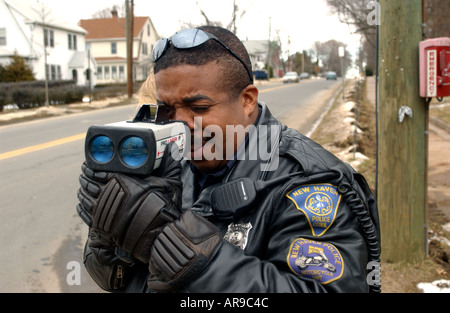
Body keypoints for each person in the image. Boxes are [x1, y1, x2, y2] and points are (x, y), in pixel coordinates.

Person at [76, 26, 381, 293]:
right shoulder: (166, 160)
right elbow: (114, 280)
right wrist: (109, 240)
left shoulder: (305, 183)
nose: (179, 124)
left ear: (248, 101)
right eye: (167, 109)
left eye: (198, 107)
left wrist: (201, 263)